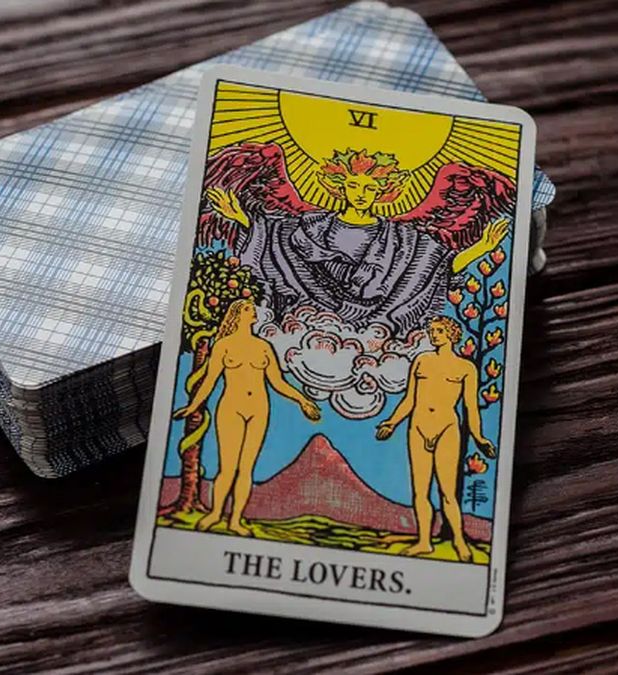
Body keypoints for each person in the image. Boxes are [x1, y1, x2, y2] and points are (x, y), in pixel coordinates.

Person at [205, 149, 508, 336]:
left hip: (376, 335)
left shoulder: (402, 239)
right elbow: (276, 239)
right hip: (305, 327)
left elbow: (437, 266)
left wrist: (482, 248)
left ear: (384, 192)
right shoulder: (311, 225)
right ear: (339, 187)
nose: (361, 193)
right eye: (353, 185)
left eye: (370, 188)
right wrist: (240, 216)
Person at [173, 298, 321, 536]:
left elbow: (277, 382)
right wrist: (192, 406)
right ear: (236, 315)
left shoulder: (263, 347)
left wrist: (302, 400)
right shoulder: (223, 345)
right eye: (247, 309)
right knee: (227, 467)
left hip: (259, 408)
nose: (253, 312)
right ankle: (215, 513)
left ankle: (236, 520)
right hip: (231, 407)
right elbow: (210, 380)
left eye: (252, 309)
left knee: (246, 469)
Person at [376, 316, 496, 561]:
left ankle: (459, 541)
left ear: (451, 334)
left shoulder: (465, 368)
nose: (433, 334)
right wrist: (392, 422)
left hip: (447, 429)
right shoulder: (422, 361)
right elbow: (409, 399)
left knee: (447, 492)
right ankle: (424, 541)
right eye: (431, 331)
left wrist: (479, 437)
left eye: (439, 330)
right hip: (418, 427)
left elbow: (471, 407)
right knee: (420, 492)